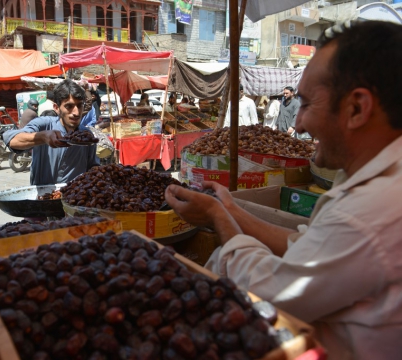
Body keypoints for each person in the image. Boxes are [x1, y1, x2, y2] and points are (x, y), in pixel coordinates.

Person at [164, 21, 402, 359]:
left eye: (306, 104)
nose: (298, 124)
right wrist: (231, 210)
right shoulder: (380, 179)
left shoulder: (368, 212)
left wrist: (219, 216)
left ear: (356, 108)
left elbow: (269, 290)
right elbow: (308, 246)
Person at [4, 79, 99, 186]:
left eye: (79, 105)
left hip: (73, 198)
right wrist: (42, 137)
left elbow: (92, 168)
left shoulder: (87, 136)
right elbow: (12, 139)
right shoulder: (44, 125)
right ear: (56, 108)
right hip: (43, 198)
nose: (76, 112)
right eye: (69, 106)